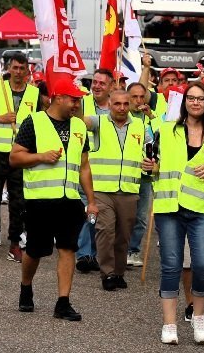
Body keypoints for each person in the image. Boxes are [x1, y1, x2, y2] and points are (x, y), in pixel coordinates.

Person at [142, 82, 204, 345]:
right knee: (171, 265)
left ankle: (198, 317)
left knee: (202, 265)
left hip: (202, 209)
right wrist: (150, 167)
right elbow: (152, 165)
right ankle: (169, 325)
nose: (195, 102)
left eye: (201, 99)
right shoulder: (167, 130)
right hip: (169, 207)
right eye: (191, 98)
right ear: (184, 102)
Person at [11, 78, 97, 321]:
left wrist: (91, 201)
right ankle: (26, 287)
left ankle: (63, 302)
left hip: (70, 200)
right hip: (39, 200)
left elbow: (84, 166)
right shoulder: (34, 122)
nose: (77, 104)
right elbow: (15, 158)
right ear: (58, 98)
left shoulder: (79, 126)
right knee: (36, 250)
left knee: (68, 248)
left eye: (79, 100)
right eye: (74, 100)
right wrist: (40, 156)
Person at [0, 53, 40, 262]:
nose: (18, 72)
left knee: (18, 201)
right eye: (15, 68)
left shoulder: (34, 93)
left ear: (27, 70)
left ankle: (14, 243)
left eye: (22, 68)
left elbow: (41, 122)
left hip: (20, 155)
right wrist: (0, 118)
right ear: (9, 69)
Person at [81, 88, 144, 291]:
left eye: (125, 104)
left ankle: (118, 272)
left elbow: (149, 151)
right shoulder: (98, 122)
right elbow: (80, 121)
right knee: (105, 231)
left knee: (123, 236)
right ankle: (107, 273)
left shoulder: (140, 125)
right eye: (117, 103)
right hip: (102, 191)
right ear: (109, 105)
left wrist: (150, 164)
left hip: (129, 191)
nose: (122, 108)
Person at [76, 69, 115, 273]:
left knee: (100, 216)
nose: (97, 86)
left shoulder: (118, 107)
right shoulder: (82, 104)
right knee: (88, 211)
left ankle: (95, 252)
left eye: (102, 83)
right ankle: (84, 254)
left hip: (109, 173)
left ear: (111, 86)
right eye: (95, 82)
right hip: (85, 169)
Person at [127, 82, 157, 268]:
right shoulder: (122, 115)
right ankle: (120, 249)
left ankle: (133, 250)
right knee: (124, 215)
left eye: (142, 97)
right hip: (127, 173)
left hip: (146, 176)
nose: (138, 100)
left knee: (141, 217)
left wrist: (152, 116)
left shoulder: (151, 116)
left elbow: (161, 137)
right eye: (134, 97)